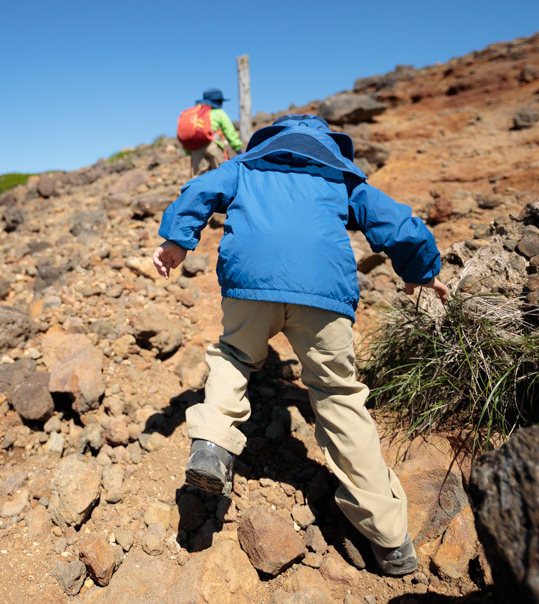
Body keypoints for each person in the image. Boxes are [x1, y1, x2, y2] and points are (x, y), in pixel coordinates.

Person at [152, 114, 449, 577]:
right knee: (337, 394)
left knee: (233, 356)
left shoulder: (246, 167)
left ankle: (211, 443)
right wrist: (421, 272)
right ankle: (391, 541)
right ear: (328, 145)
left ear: (271, 139)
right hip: (323, 296)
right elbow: (397, 223)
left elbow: (198, 191)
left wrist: (176, 241)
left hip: (250, 285)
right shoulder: (341, 177)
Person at [188, 88, 244, 175]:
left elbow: (187, 133)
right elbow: (229, 132)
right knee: (220, 175)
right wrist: (238, 149)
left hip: (196, 148)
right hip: (213, 145)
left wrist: (189, 150)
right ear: (217, 102)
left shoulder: (195, 113)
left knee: (199, 178)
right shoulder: (219, 113)